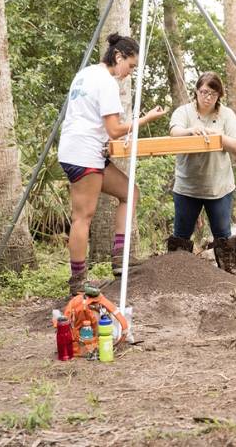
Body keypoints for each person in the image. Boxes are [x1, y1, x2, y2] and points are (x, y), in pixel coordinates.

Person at [58, 33, 167, 295]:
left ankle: (120, 259)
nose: (129, 73)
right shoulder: (106, 82)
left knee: (130, 192)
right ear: (118, 56)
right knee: (82, 216)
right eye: (130, 66)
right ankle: (78, 281)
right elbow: (115, 129)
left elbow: (92, 118)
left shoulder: (86, 73)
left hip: (78, 148)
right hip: (83, 154)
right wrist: (146, 119)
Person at [166, 72, 236, 274]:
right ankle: (176, 276)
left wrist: (217, 136)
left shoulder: (227, 115)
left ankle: (228, 278)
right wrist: (192, 130)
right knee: (181, 236)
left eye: (213, 94)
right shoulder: (184, 112)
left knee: (223, 237)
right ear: (197, 91)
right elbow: (174, 132)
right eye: (204, 92)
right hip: (187, 185)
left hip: (219, 186)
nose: (208, 97)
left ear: (219, 96)